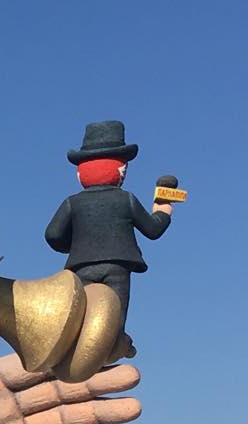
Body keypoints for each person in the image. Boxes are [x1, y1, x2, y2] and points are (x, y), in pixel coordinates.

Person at [43, 120, 173, 322]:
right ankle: (117, 336)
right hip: (117, 266)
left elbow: (53, 235)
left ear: (80, 172)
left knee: (83, 316)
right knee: (114, 315)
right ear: (121, 169)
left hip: (81, 266)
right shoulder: (126, 199)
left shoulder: (72, 202)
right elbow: (153, 229)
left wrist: (74, 245)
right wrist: (163, 209)